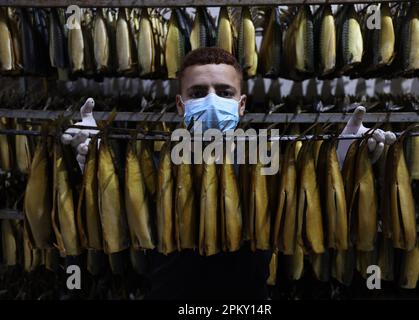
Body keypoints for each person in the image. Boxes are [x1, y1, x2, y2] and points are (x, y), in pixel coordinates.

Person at [62, 47, 396, 299]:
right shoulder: (153, 157)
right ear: (180, 106)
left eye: (224, 92)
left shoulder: (265, 155)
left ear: (241, 105)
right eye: (197, 93)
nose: (211, 101)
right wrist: (90, 162)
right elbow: (118, 216)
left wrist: (347, 154)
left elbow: (316, 202)